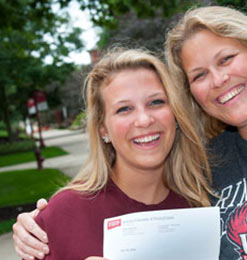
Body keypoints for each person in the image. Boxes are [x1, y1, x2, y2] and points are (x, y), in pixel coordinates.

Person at [13, 5, 247, 260]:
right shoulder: (209, 168)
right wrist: (40, 223)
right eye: (199, 75)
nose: (219, 80)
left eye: (226, 59)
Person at [12, 48, 214, 259]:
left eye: (156, 102)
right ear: (103, 129)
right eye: (124, 109)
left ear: (175, 113)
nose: (144, 120)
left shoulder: (199, 205)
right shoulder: (62, 215)